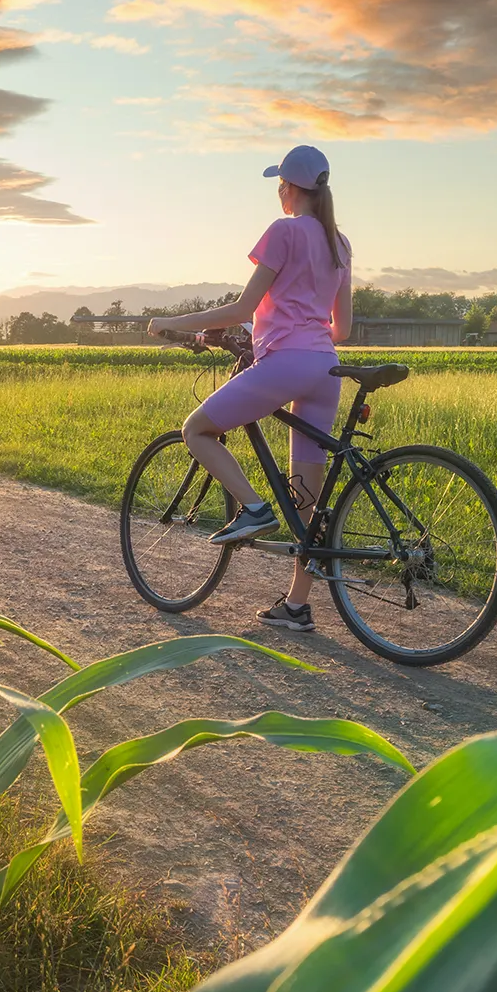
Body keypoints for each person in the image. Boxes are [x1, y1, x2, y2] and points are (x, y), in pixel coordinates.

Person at [147, 144, 353, 632]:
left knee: (196, 429)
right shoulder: (339, 242)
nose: (278, 192)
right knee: (306, 494)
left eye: (278, 184)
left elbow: (242, 308)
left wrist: (169, 321)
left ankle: (254, 508)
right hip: (326, 367)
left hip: (285, 364)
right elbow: (340, 327)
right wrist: (290, 322)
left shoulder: (283, 231)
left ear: (287, 187)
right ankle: (297, 607)